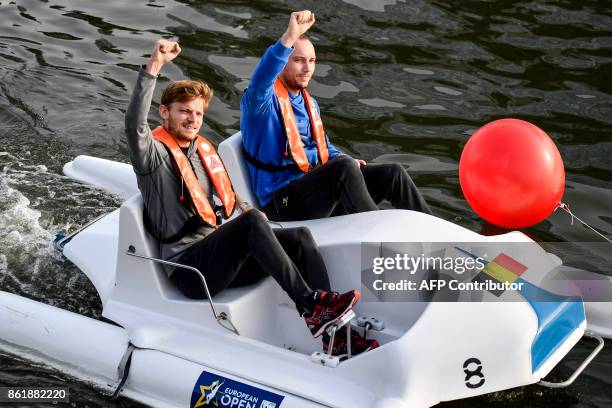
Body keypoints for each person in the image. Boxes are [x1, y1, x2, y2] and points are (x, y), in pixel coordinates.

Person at [124, 38, 378, 357]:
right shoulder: (153, 158)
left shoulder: (203, 154)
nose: (192, 119)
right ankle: (312, 307)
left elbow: (231, 206)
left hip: (219, 259)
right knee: (253, 221)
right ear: (164, 113)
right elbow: (134, 125)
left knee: (299, 238)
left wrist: (253, 221)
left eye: (198, 113)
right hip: (190, 271)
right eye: (183, 112)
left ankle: (338, 336)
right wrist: (154, 67)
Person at [241, 10, 432, 221]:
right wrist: (290, 36)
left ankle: (437, 235)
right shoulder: (260, 103)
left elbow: (323, 147)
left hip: (315, 191)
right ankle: (377, 236)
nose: (307, 68)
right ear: (283, 62)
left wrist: (342, 158)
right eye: (299, 60)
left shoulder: (308, 102)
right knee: (343, 169)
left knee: (392, 174)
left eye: (312, 61)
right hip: (282, 204)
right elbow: (262, 77)